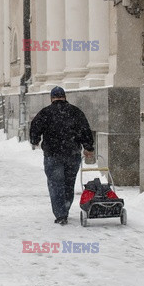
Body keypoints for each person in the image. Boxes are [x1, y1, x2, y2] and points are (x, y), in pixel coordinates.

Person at [30, 86, 95, 225]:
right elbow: (85, 130)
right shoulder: (75, 112)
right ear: (64, 97)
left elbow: (35, 127)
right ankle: (65, 208)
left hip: (52, 155)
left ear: (52, 98)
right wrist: (88, 147)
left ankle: (60, 214)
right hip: (72, 154)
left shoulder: (45, 113)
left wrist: (34, 140)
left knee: (55, 185)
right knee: (68, 184)